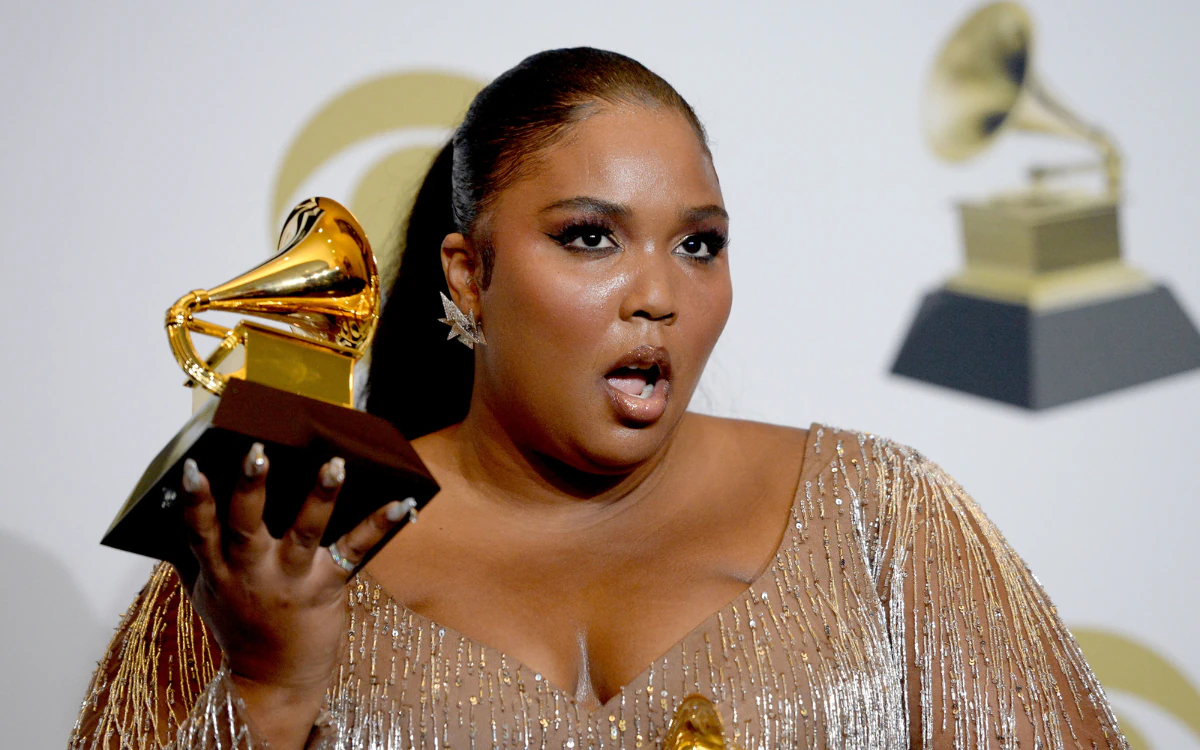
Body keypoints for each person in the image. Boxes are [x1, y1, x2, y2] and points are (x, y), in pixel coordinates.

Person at [69, 48, 1128, 750]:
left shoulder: (883, 519)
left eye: (699, 244)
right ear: (469, 275)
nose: (659, 295)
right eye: (590, 237)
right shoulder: (268, 547)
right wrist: (267, 691)